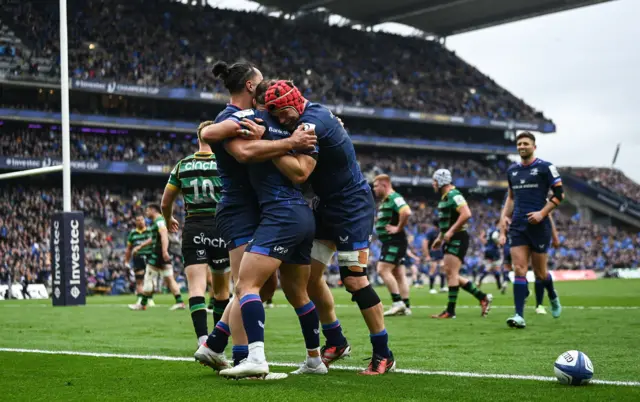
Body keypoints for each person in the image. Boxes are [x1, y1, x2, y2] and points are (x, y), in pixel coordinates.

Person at [195, 61, 317, 374]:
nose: (265, 88)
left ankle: (213, 344)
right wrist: (290, 143)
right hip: (238, 210)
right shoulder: (233, 117)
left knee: (261, 287)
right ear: (250, 86)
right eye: (260, 82)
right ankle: (242, 358)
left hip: (256, 209)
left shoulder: (259, 117)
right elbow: (240, 151)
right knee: (245, 285)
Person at [265, 80, 394, 375]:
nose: (282, 120)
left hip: (352, 207)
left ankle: (384, 353)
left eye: (284, 113)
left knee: (354, 280)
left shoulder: (312, 123)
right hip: (326, 206)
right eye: (277, 116)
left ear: (296, 102)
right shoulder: (309, 116)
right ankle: (336, 341)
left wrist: (269, 146)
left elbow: (301, 172)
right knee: (309, 277)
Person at [160, 124, 231, 346]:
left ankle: (202, 340)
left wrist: (168, 218)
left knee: (196, 287)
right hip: (220, 227)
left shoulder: (182, 165)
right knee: (221, 290)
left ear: (198, 138)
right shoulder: (225, 162)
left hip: (193, 229)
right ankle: (217, 345)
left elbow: (165, 202)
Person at [499, 131, 563, 329]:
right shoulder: (512, 171)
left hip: (539, 226)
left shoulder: (546, 167)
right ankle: (519, 315)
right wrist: (503, 219)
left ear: (534, 146)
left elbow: (559, 195)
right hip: (518, 226)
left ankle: (552, 295)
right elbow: (511, 197)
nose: (522, 147)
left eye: (525, 143)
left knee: (541, 273)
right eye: (519, 144)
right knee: (519, 269)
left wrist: (542, 214)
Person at [429, 169, 493, 319]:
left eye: (435, 181)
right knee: (451, 273)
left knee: (452, 274)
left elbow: (466, 213)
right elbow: (447, 223)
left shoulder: (454, 195)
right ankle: (482, 297)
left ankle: (450, 311)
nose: (433, 184)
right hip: (451, 237)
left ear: (441, 181)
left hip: (458, 237)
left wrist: (450, 232)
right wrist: (440, 237)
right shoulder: (445, 197)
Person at [128, 204, 185, 311]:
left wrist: (164, 251)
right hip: (162, 254)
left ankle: (142, 304)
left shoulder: (159, 220)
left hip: (158, 254)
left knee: (148, 277)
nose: (146, 213)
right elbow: (154, 238)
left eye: (147, 210)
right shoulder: (158, 221)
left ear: (153, 210)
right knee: (169, 278)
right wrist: (140, 246)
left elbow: (164, 235)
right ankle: (180, 302)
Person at [372, 174, 412, 317]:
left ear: (385, 185)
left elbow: (406, 212)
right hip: (393, 241)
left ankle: (397, 303)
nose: (374, 189)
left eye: (376, 186)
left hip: (394, 240)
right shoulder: (386, 200)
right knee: (399, 274)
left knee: (382, 269)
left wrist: (398, 227)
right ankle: (406, 306)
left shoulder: (394, 197)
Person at [534, 213, 561, 315]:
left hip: (541, 232)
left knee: (540, 272)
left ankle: (548, 299)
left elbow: (548, 214)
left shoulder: (540, 198)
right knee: (525, 269)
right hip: (524, 231)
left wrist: (554, 236)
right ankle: (550, 296)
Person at [124, 215, 154, 307]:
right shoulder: (132, 233)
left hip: (149, 256)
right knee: (139, 279)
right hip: (137, 258)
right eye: (138, 220)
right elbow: (129, 249)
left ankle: (150, 299)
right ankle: (140, 299)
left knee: (149, 279)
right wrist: (126, 261)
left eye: (141, 220)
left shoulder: (150, 231)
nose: (140, 221)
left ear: (144, 221)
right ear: (135, 222)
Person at [477, 220, 503, 291]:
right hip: (494, 251)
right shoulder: (496, 230)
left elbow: (482, 238)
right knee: (495, 268)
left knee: (491, 267)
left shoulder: (489, 230)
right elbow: (495, 237)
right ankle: (499, 286)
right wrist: (499, 244)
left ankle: (498, 286)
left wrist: (487, 245)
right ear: (498, 223)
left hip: (487, 251)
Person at [423, 220, 446, 294]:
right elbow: (425, 244)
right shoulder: (430, 232)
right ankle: (431, 288)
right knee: (433, 268)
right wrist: (427, 255)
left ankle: (442, 287)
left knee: (443, 267)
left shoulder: (441, 232)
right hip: (433, 253)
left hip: (440, 253)